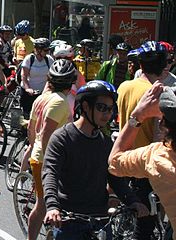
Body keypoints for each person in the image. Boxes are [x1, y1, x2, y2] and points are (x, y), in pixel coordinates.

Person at [43, 81, 144, 239]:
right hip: (70, 220)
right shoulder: (62, 138)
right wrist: (52, 206)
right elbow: (50, 173)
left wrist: (133, 201)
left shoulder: (105, 143)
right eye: (101, 108)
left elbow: (115, 179)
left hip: (100, 220)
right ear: (85, 106)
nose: (107, 114)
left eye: (110, 109)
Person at [116, 41, 175, 240]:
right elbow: (160, 135)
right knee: (146, 227)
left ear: (140, 65)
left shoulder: (124, 87)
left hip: (127, 156)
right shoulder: (158, 95)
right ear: (164, 66)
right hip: (149, 167)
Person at [26, 59, 76, 240]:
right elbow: (47, 134)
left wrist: (34, 149)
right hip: (48, 160)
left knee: (44, 205)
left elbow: (31, 130)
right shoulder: (60, 102)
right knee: (44, 206)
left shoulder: (41, 97)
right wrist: (52, 163)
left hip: (38, 156)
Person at [20, 38, 54, 118]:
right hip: (29, 94)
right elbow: (24, 76)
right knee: (27, 117)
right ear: (38, 50)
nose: (48, 52)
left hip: (43, 93)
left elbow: (52, 76)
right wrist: (28, 89)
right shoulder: (29, 59)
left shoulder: (49, 59)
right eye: (46, 50)